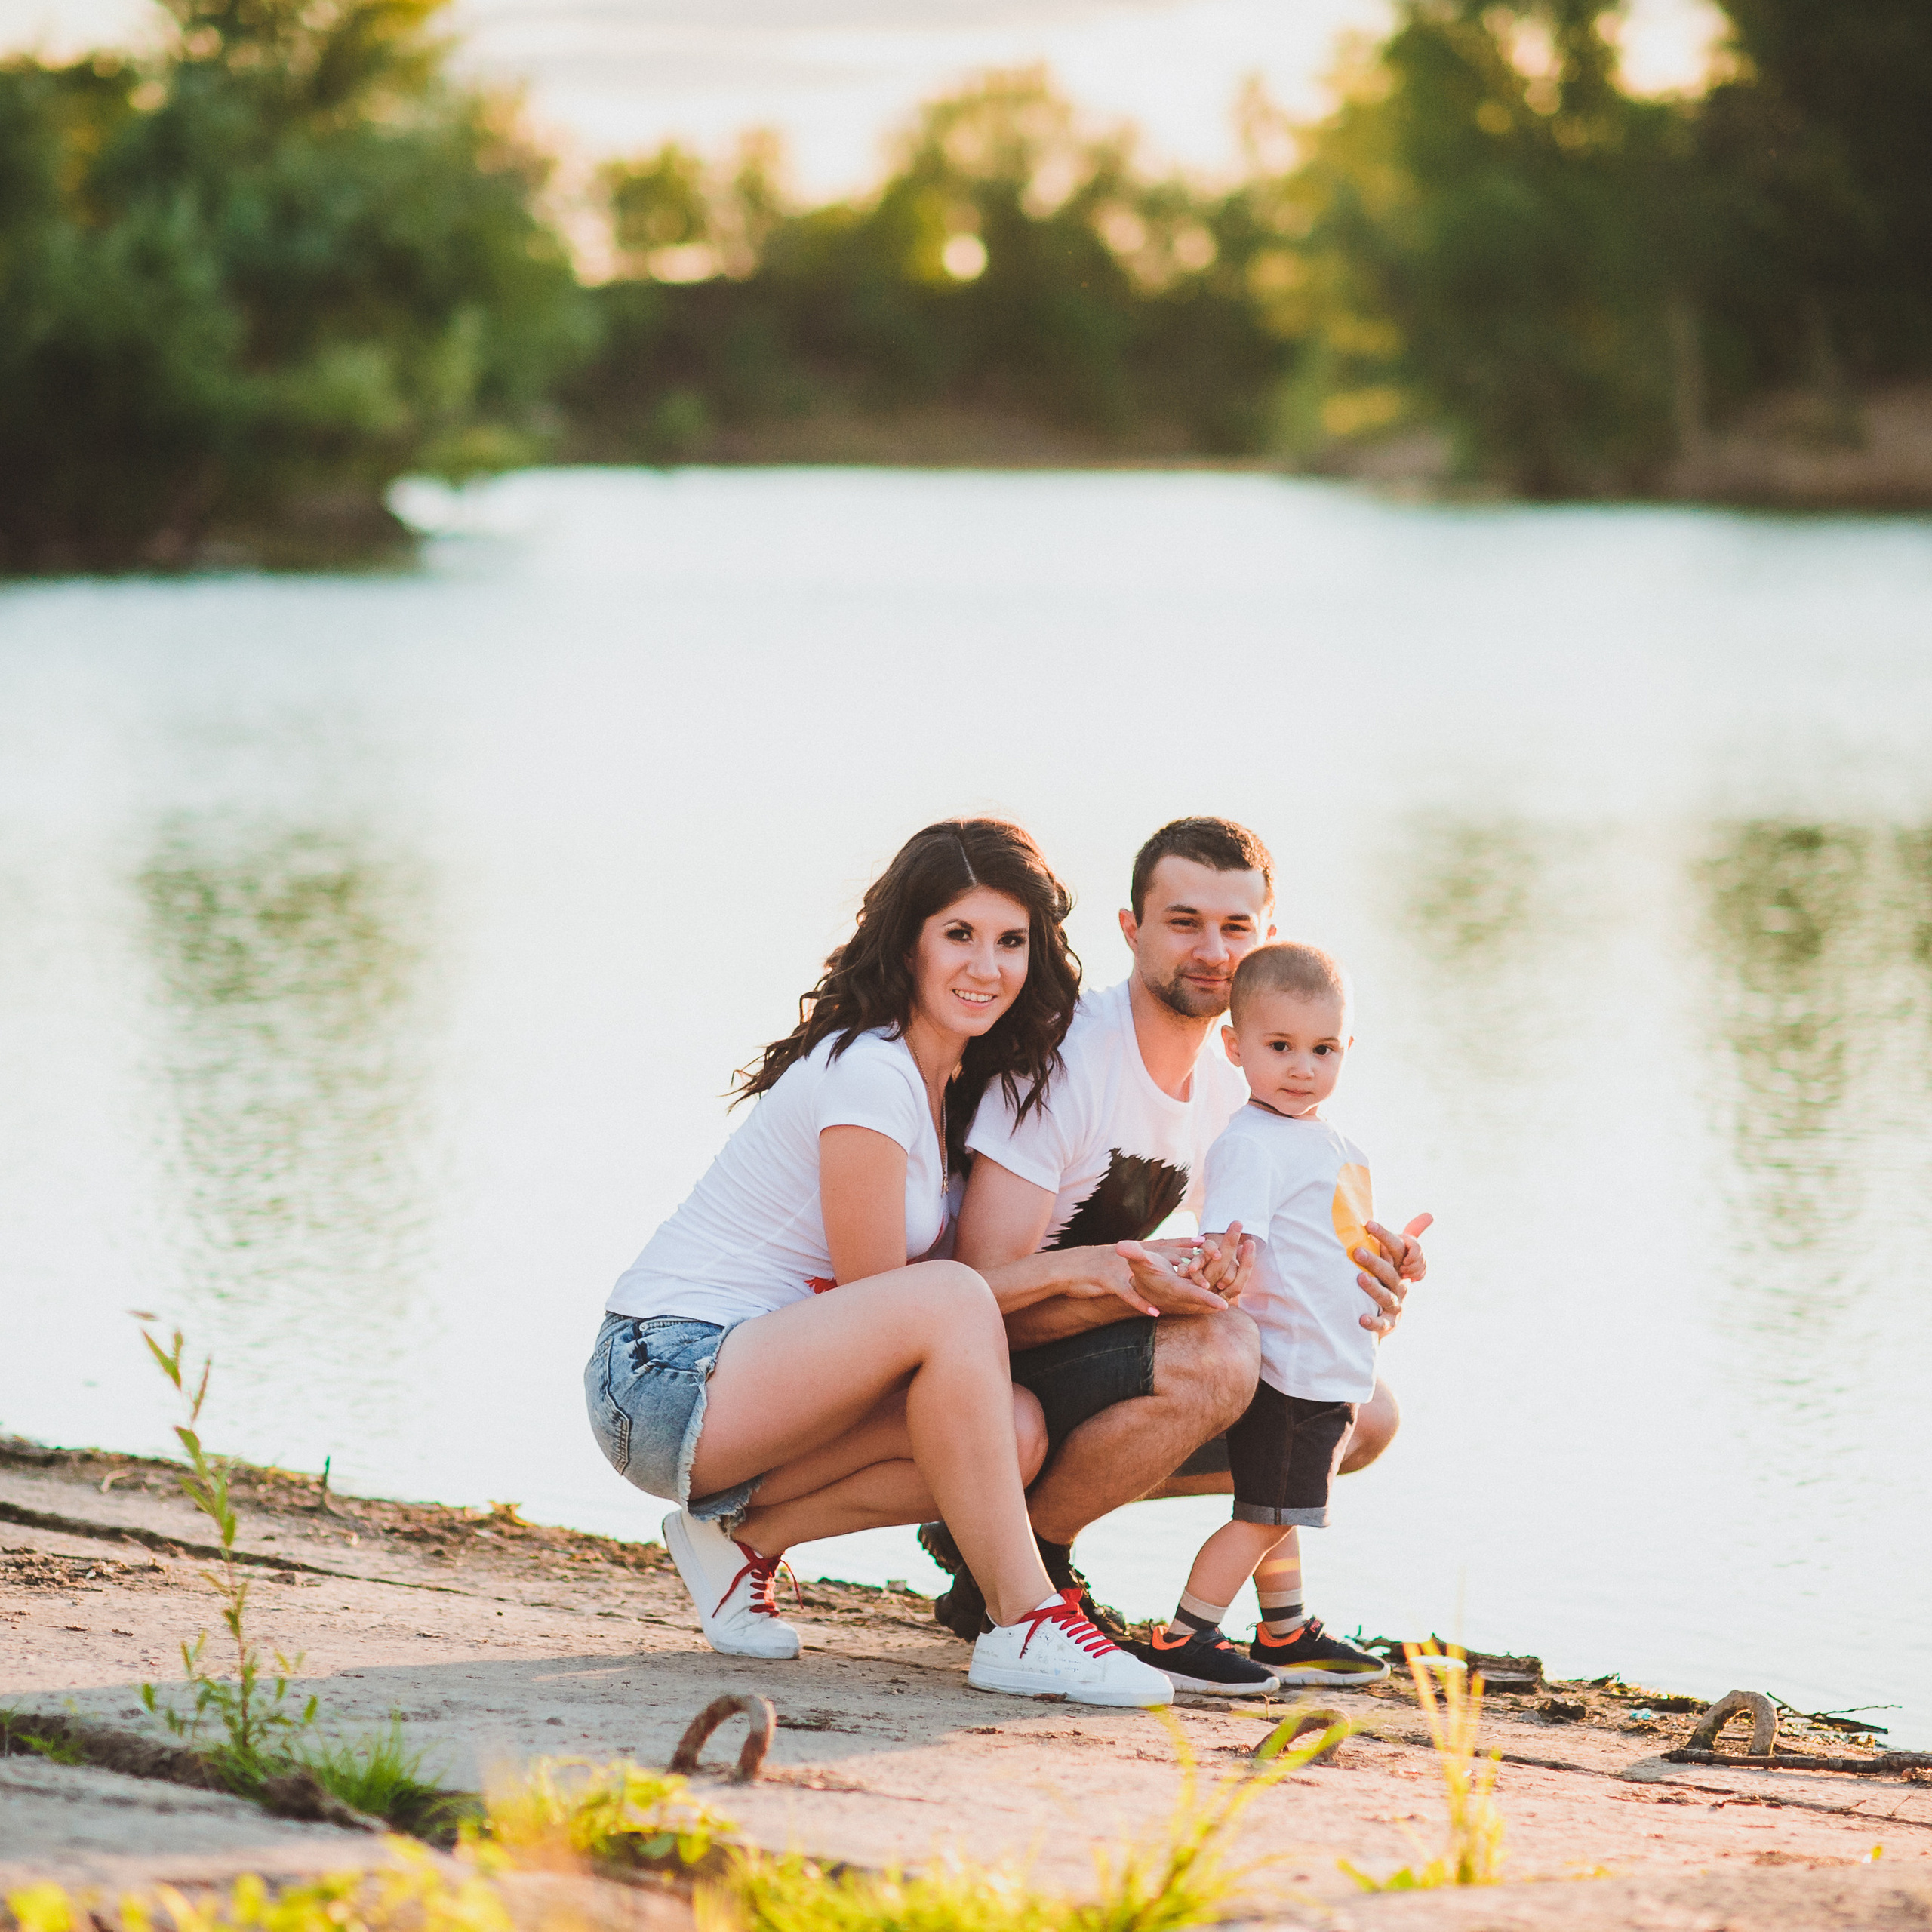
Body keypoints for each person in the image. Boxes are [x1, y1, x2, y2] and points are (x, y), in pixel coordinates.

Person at [584, 817, 1202, 1707]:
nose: (985, 967)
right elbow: (899, 1301)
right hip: (661, 1372)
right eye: (958, 934)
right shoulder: (869, 1075)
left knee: (1015, 1430)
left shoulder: (949, 1086)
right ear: (907, 941)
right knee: (953, 1306)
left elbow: (910, 1326)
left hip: (757, 1386)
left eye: (1010, 941)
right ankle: (1025, 1619)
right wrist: (1084, 1267)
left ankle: (739, 1544)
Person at [927, 817, 1428, 1654]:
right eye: (1184, 921)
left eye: (1235, 927)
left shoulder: (1247, 1086)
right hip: (992, 1347)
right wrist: (1130, 1285)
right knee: (1220, 1354)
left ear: (1267, 936)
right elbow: (974, 1289)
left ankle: (1266, 1617)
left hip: (1093, 1334)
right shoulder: (1064, 1059)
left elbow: (1259, 1254)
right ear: (1131, 930)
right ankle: (1021, 1569)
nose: (1211, 949)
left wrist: (1363, 1293)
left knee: (1358, 1407)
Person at [1143, 940, 1426, 1694]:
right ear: (1234, 1047)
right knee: (1267, 1512)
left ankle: (1284, 1628)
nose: (1302, 1067)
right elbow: (1230, 1245)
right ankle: (1185, 1634)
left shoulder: (1330, 1141)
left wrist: (1391, 1251)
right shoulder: (1249, 1144)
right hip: (1286, 1367)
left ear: (1346, 1049)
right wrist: (1222, 1261)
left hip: (1327, 1363)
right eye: (1279, 1047)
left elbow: (1333, 1239)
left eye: (1322, 1048)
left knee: (1279, 1505)